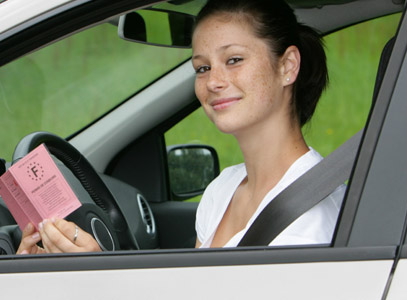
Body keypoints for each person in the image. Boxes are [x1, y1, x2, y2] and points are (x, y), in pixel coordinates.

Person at [17, 0, 344, 254]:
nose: (213, 82)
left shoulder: (309, 222)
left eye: (234, 60)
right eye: (202, 67)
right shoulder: (223, 188)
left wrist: (98, 279)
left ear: (287, 66)